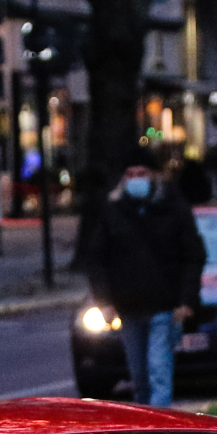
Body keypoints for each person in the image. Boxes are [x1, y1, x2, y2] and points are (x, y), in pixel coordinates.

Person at [84, 157, 205, 407]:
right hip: (129, 307)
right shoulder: (113, 211)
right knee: (139, 375)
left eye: (141, 172)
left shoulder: (174, 208)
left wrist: (186, 300)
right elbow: (97, 259)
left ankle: (158, 424)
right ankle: (147, 423)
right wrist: (105, 301)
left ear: (153, 175)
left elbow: (193, 256)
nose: (136, 178)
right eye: (131, 173)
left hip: (165, 306)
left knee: (158, 369)